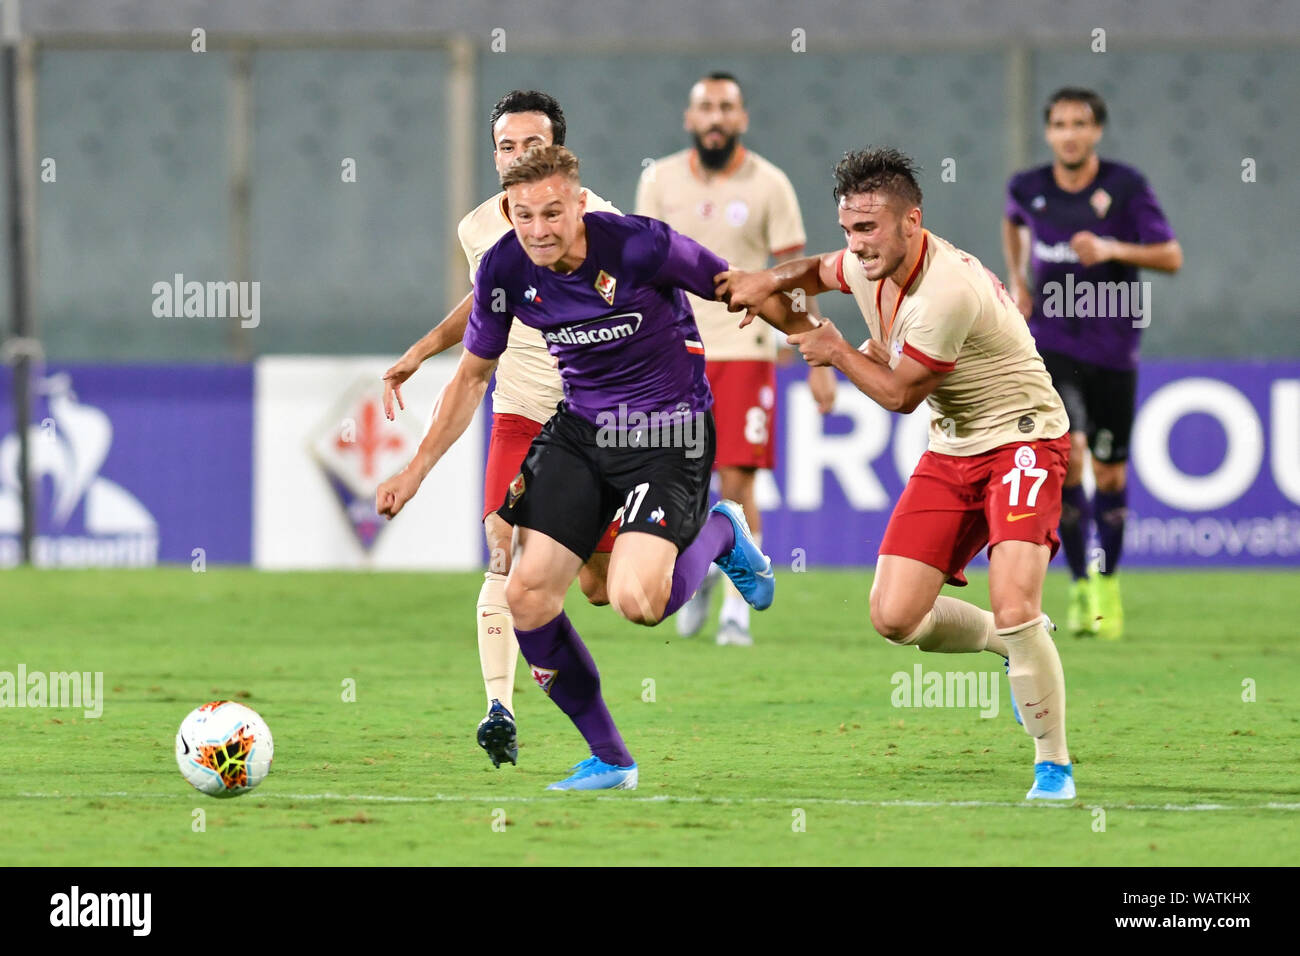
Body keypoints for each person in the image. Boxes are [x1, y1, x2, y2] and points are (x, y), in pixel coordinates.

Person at [377, 144, 778, 790]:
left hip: (668, 430)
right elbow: (473, 375)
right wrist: (415, 470)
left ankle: (722, 531)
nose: (539, 230)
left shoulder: (639, 246)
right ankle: (613, 760)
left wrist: (813, 332)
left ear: (579, 204)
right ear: (509, 211)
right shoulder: (505, 268)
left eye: (553, 214)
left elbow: (737, 286)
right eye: (525, 216)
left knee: (636, 601)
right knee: (528, 596)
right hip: (583, 431)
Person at [719, 147, 1077, 799]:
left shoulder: (948, 291)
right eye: (850, 228)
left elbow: (898, 396)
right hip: (955, 447)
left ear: (912, 221)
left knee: (1018, 602)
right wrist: (768, 282)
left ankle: (1052, 763)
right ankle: (1014, 644)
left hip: (1025, 440)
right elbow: (817, 270)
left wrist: (832, 351)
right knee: (893, 616)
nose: (856, 246)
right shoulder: (861, 261)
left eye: (870, 228)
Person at [378, 90, 623, 770]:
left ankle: (711, 528)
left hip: (594, 419)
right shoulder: (479, 227)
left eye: (532, 146)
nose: (519, 157)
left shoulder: (603, 224)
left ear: (561, 155)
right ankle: (498, 709)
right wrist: (426, 348)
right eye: (506, 147)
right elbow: (488, 299)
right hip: (518, 409)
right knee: (503, 546)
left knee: (607, 589)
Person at [635, 71, 836, 646]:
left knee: (738, 477)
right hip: (675, 352)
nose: (716, 118)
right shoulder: (659, 181)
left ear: (742, 118)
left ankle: (737, 608)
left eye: (726, 107)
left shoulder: (770, 184)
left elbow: (799, 280)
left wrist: (817, 354)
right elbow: (644, 269)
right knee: (680, 478)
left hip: (747, 349)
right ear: (689, 118)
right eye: (706, 108)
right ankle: (699, 576)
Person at [1003, 87, 1182, 640]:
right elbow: (1013, 221)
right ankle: (1081, 585)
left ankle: (1109, 580)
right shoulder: (1027, 187)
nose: (1070, 133)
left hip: (1112, 350)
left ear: (1096, 130)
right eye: (1059, 124)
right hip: (1051, 347)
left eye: (1080, 123)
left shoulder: (1125, 188)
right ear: (1049, 132)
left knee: (1110, 472)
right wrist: (1017, 277)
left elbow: (1170, 256)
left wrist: (1112, 250)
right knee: (1070, 460)